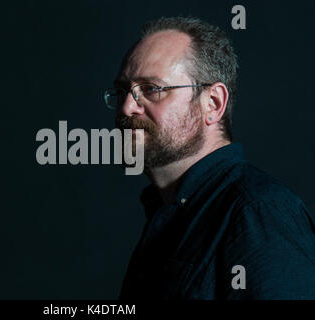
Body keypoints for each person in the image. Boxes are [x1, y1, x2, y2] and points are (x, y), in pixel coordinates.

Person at [104, 16, 315, 299]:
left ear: (212, 103)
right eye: (122, 91)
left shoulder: (257, 212)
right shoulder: (168, 211)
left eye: (151, 89)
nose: (127, 107)